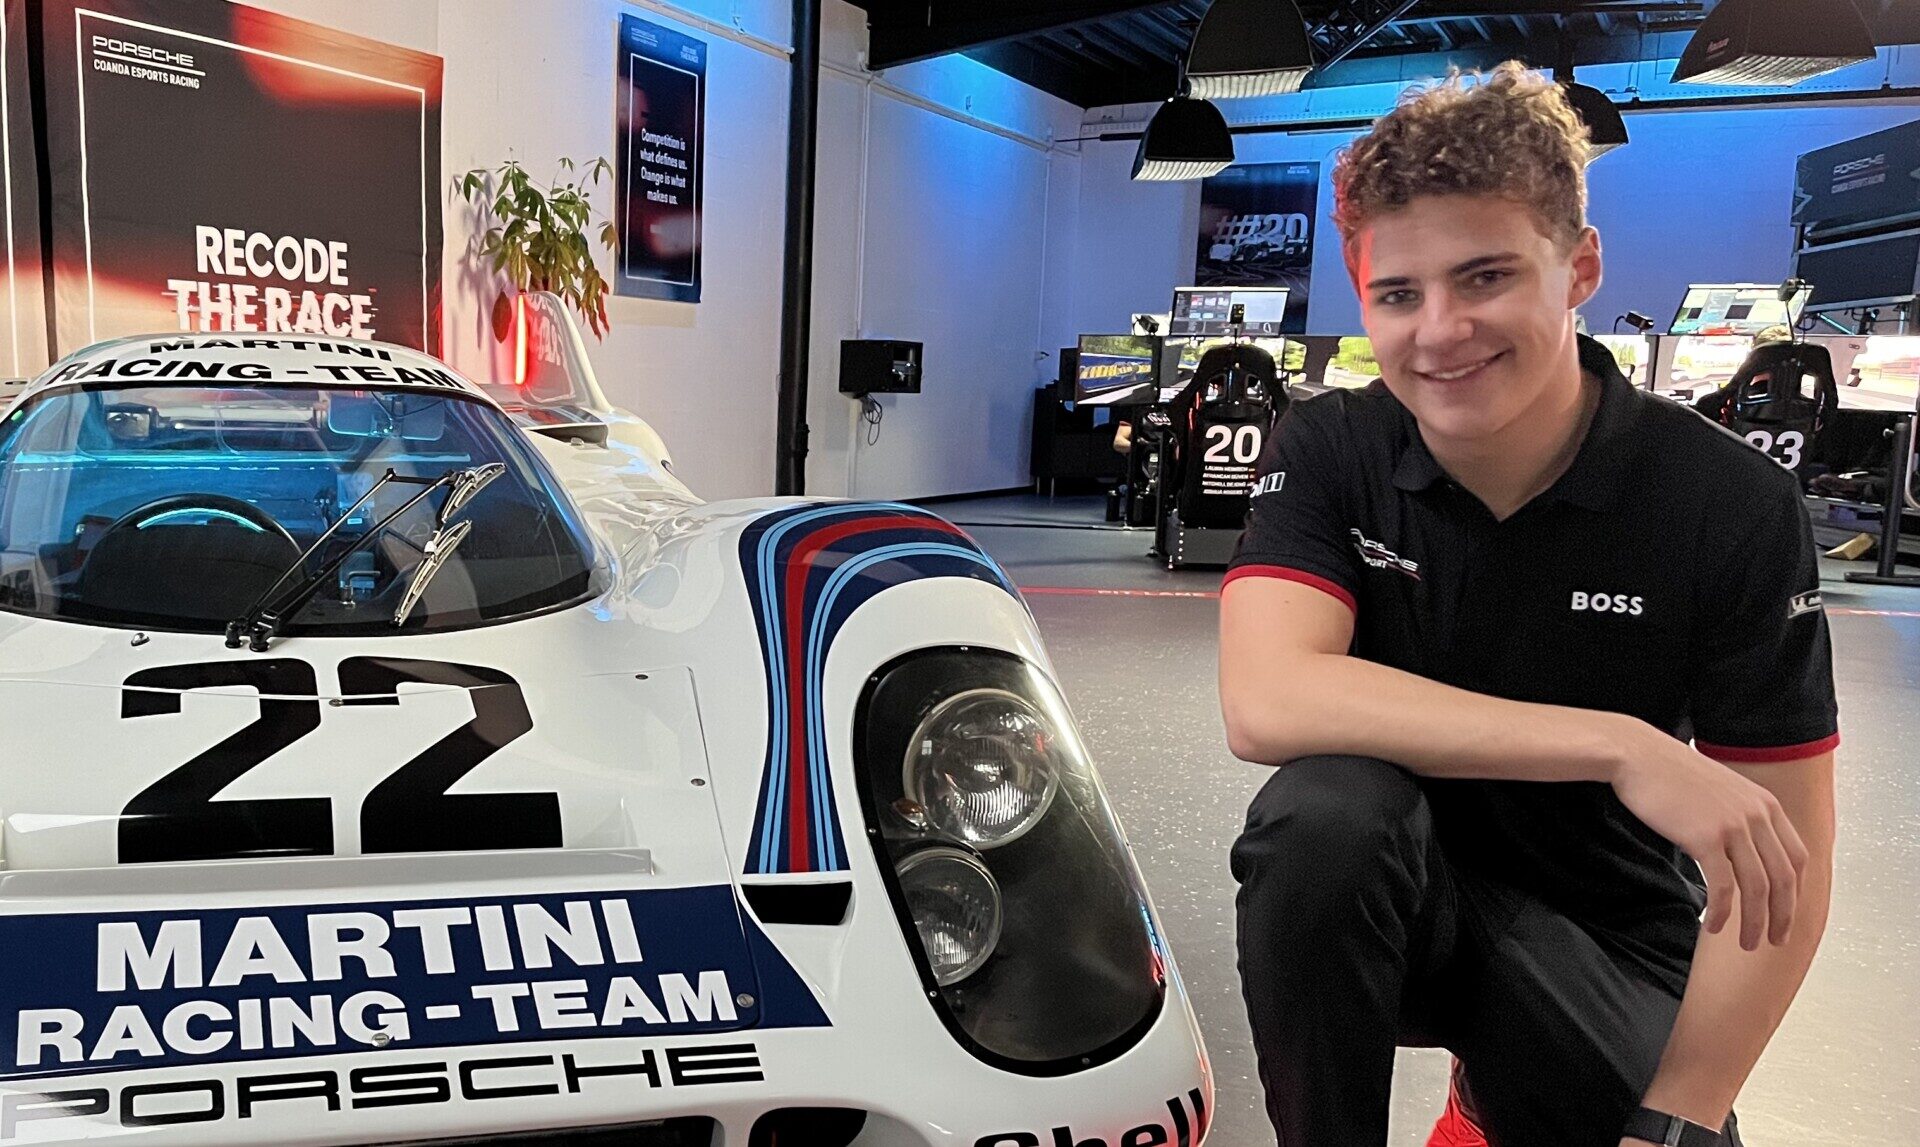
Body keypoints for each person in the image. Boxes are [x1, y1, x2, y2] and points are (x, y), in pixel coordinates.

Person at [1219, 63, 1837, 1147]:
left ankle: (1499, 1094)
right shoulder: (1333, 446)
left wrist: (1679, 1121)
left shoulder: (1730, 503)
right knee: (1322, 818)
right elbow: (1267, 698)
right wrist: (1620, 746)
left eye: (1487, 276)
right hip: (1389, 909)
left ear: (1579, 267)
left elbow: (1779, 865)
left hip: (1607, 930)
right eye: (1398, 294)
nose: (1440, 329)